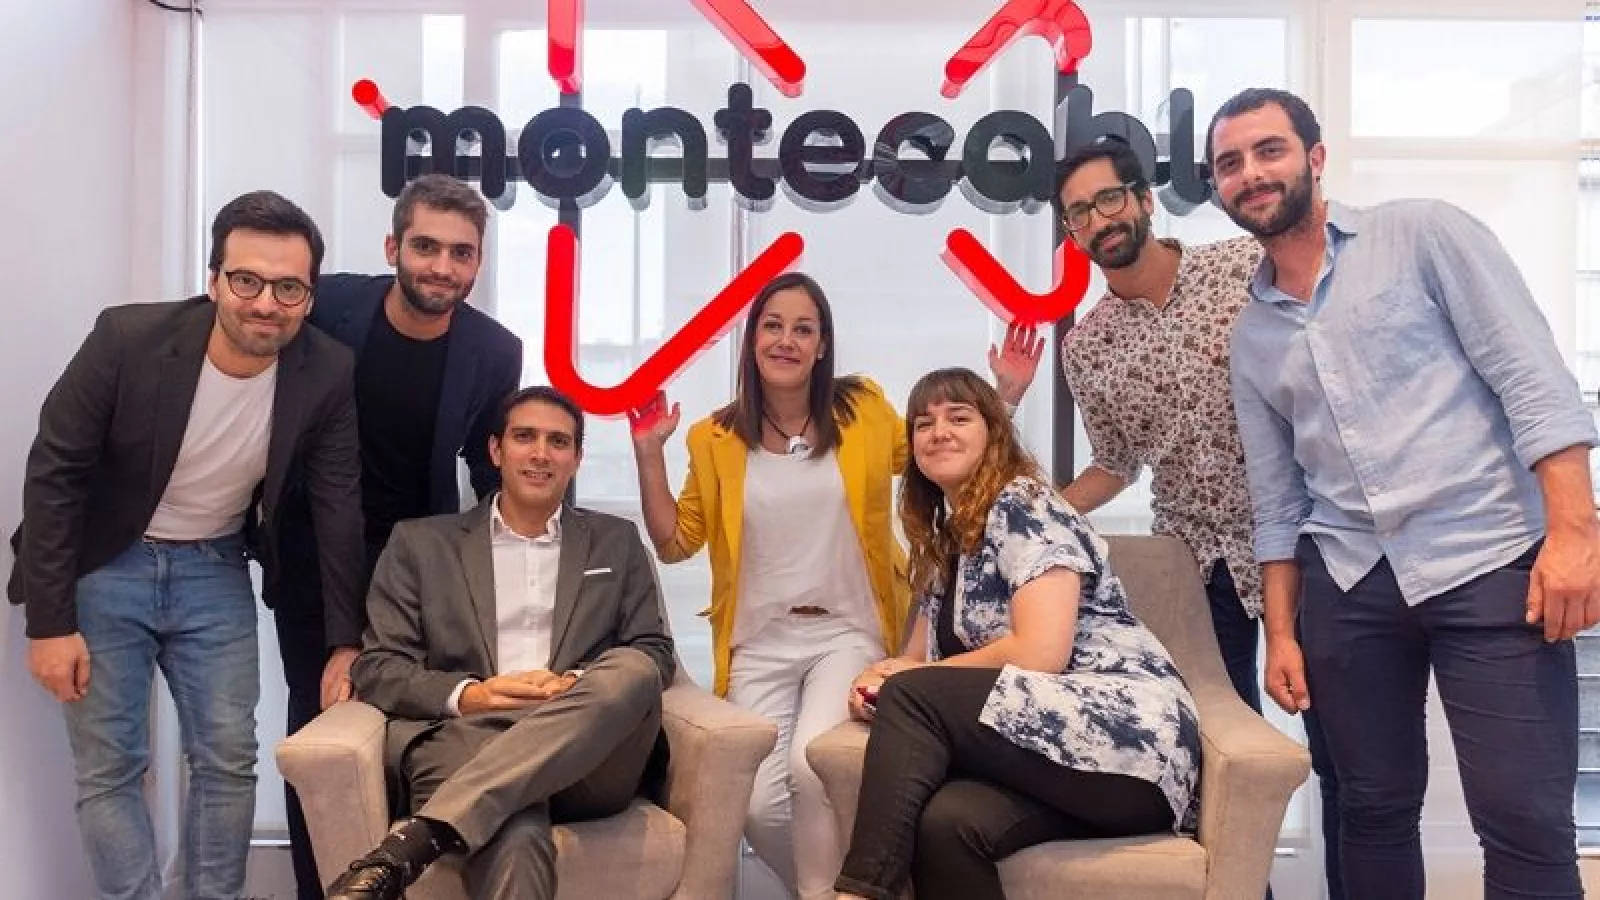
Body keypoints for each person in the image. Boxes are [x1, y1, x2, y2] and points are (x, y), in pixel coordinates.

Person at [1210, 87, 1600, 900]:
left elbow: (1533, 381)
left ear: (1316, 158)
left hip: (1488, 556)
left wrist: (1574, 534)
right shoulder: (1252, 335)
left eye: (1269, 150)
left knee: (1524, 820)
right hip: (1349, 582)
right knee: (1372, 810)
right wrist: (1280, 633)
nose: (1251, 173)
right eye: (1230, 163)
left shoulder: (1423, 234)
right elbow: (1276, 500)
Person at [628, 272, 1041, 899]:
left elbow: (937, 455)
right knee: (756, 802)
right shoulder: (713, 437)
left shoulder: (861, 409)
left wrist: (1002, 398)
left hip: (848, 629)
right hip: (758, 640)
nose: (786, 340)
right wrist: (647, 453)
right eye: (773, 326)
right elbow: (674, 541)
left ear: (822, 346)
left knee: (811, 768)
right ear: (752, 338)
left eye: (803, 329)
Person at [9, 191, 365, 900]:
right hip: (107, 563)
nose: (265, 303)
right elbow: (55, 471)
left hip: (214, 565)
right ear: (214, 279)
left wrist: (346, 639)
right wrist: (49, 623)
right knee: (110, 768)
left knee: (229, 759)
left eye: (288, 288)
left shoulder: (326, 369)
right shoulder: (128, 339)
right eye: (247, 280)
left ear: (309, 295)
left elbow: (338, 504)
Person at [1051, 136, 1339, 897]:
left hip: (1309, 544)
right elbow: (1115, 462)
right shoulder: (1087, 347)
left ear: (1143, 200)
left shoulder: (1243, 268)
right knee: (1218, 757)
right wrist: (1038, 510)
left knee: (1345, 753)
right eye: (1078, 212)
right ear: (1071, 233)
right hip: (1196, 566)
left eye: (1108, 198)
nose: (1097, 219)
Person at [833, 367, 1200, 900]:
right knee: (946, 824)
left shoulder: (1025, 505)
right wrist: (873, 682)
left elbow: (1041, 650)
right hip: (1055, 757)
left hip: (1129, 745)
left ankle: (859, 893)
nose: (939, 432)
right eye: (923, 424)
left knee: (911, 694)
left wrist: (905, 683)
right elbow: (911, 665)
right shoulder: (946, 542)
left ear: (994, 432)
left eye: (959, 418)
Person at [273, 172, 522, 899]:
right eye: (425, 247)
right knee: (320, 729)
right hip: (314, 552)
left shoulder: (494, 350)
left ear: (478, 262)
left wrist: (524, 554)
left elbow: (488, 466)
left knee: (408, 729)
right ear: (392, 249)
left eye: (461, 252)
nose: (442, 266)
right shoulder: (329, 307)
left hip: (416, 564)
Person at [325, 386, 674, 900]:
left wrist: (574, 687)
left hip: (588, 761)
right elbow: (380, 666)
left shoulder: (616, 541)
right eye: (524, 437)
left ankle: (422, 836)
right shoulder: (421, 544)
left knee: (634, 668)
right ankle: (452, 821)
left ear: (577, 458)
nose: (540, 453)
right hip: (466, 738)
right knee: (513, 831)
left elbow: (654, 653)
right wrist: (472, 695)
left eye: (558, 441)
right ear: (495, 450)